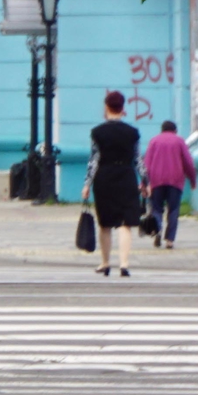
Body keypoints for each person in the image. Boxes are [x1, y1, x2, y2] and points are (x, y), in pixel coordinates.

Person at [82, 90, 143, 277]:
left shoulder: (97, 132)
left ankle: (105, 262)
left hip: (104, 177)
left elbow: (94, 159)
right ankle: (124, 264)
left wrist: (87, 184)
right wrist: (146, 181)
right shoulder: (133, 133)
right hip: (126, 176)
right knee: (126, 223)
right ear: (123, 108)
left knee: (105, 223)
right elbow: (138, 159)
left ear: (106, 107)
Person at [141, 120, 196, 250]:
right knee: (174, 209)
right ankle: (170, 240)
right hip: (175, 181)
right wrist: (193, 180)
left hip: (156, 181)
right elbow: (188, 162)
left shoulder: (154, 141)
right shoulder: (179, 141)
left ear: (162, 130)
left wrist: (143, 183)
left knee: (156, 208)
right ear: (175, 130)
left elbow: (146, 164)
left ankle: (158, 231)